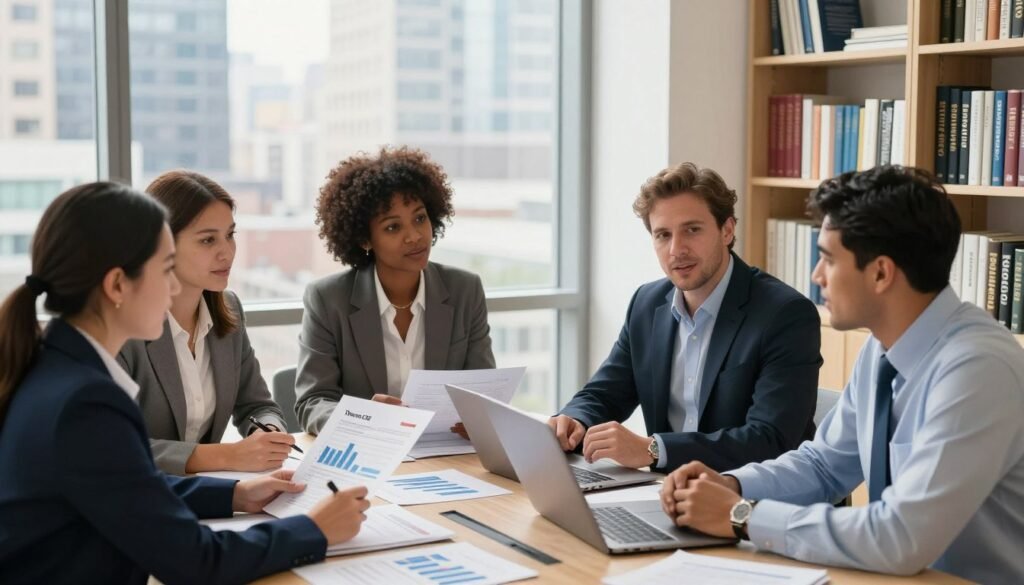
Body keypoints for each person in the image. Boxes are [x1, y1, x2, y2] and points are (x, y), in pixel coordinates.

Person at [660, 166, 1024, 582]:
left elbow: (901, 538)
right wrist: (731, 486)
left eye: (828, 259)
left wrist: (742, 516)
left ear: (881, 273)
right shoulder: (882, 349)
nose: (816, 276)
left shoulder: (977, 369)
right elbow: (825, 466)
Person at [0, 182, 369, 584]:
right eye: (165, 269)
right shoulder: (85, 402)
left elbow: (127, 489)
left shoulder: (56, 367)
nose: (174, 287)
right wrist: (315, 529)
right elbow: (196, 561)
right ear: (117, 285)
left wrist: (234, 494)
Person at [549, 162, 821, 471]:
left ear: (727, 230)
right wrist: (574, 419)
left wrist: (654, 449)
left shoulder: (784, 314)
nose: (676, 250)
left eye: (692, 230)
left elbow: (770, 439)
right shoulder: (646, 303)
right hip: (667, 492)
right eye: (663, 235)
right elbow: (606, 392)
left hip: (753, 501)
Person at [295, 146, 495, 434]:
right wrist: (365, 418)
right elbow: (313, 402)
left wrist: (479, 416)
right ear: (365, 239)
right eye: (392, 228)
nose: (414, 236)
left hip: (445, 453)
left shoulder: (465, 290)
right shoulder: (328, 300)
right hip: (365, 452)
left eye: (419, 218)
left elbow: (483, 389)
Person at [118, 170, 292, 475]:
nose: (227, 252)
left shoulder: (230, 310)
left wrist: (267, 433)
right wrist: (226, 456)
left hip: (208, 493)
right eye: (208, 240)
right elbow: (113, 446)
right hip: (139, 499)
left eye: (230, 235)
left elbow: (256, 405)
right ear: (163, 244)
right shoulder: (122, 328)